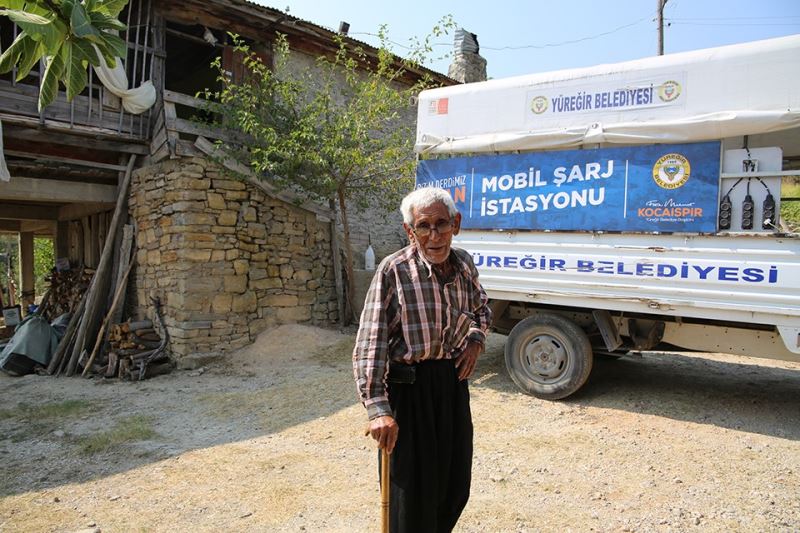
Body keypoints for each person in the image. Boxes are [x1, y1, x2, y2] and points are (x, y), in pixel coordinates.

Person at [353, 186, 492, 533]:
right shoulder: (393, 270)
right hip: (408, 392)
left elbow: (482, 309)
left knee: (453, 485)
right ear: (409, 230)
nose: (434, 236)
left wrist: (475, 340)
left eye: (441, 224)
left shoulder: (464, 264)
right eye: (423, 226)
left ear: (455, 223)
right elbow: (372, 340)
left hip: (452, 386)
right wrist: (378, 409)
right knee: (411, 496)